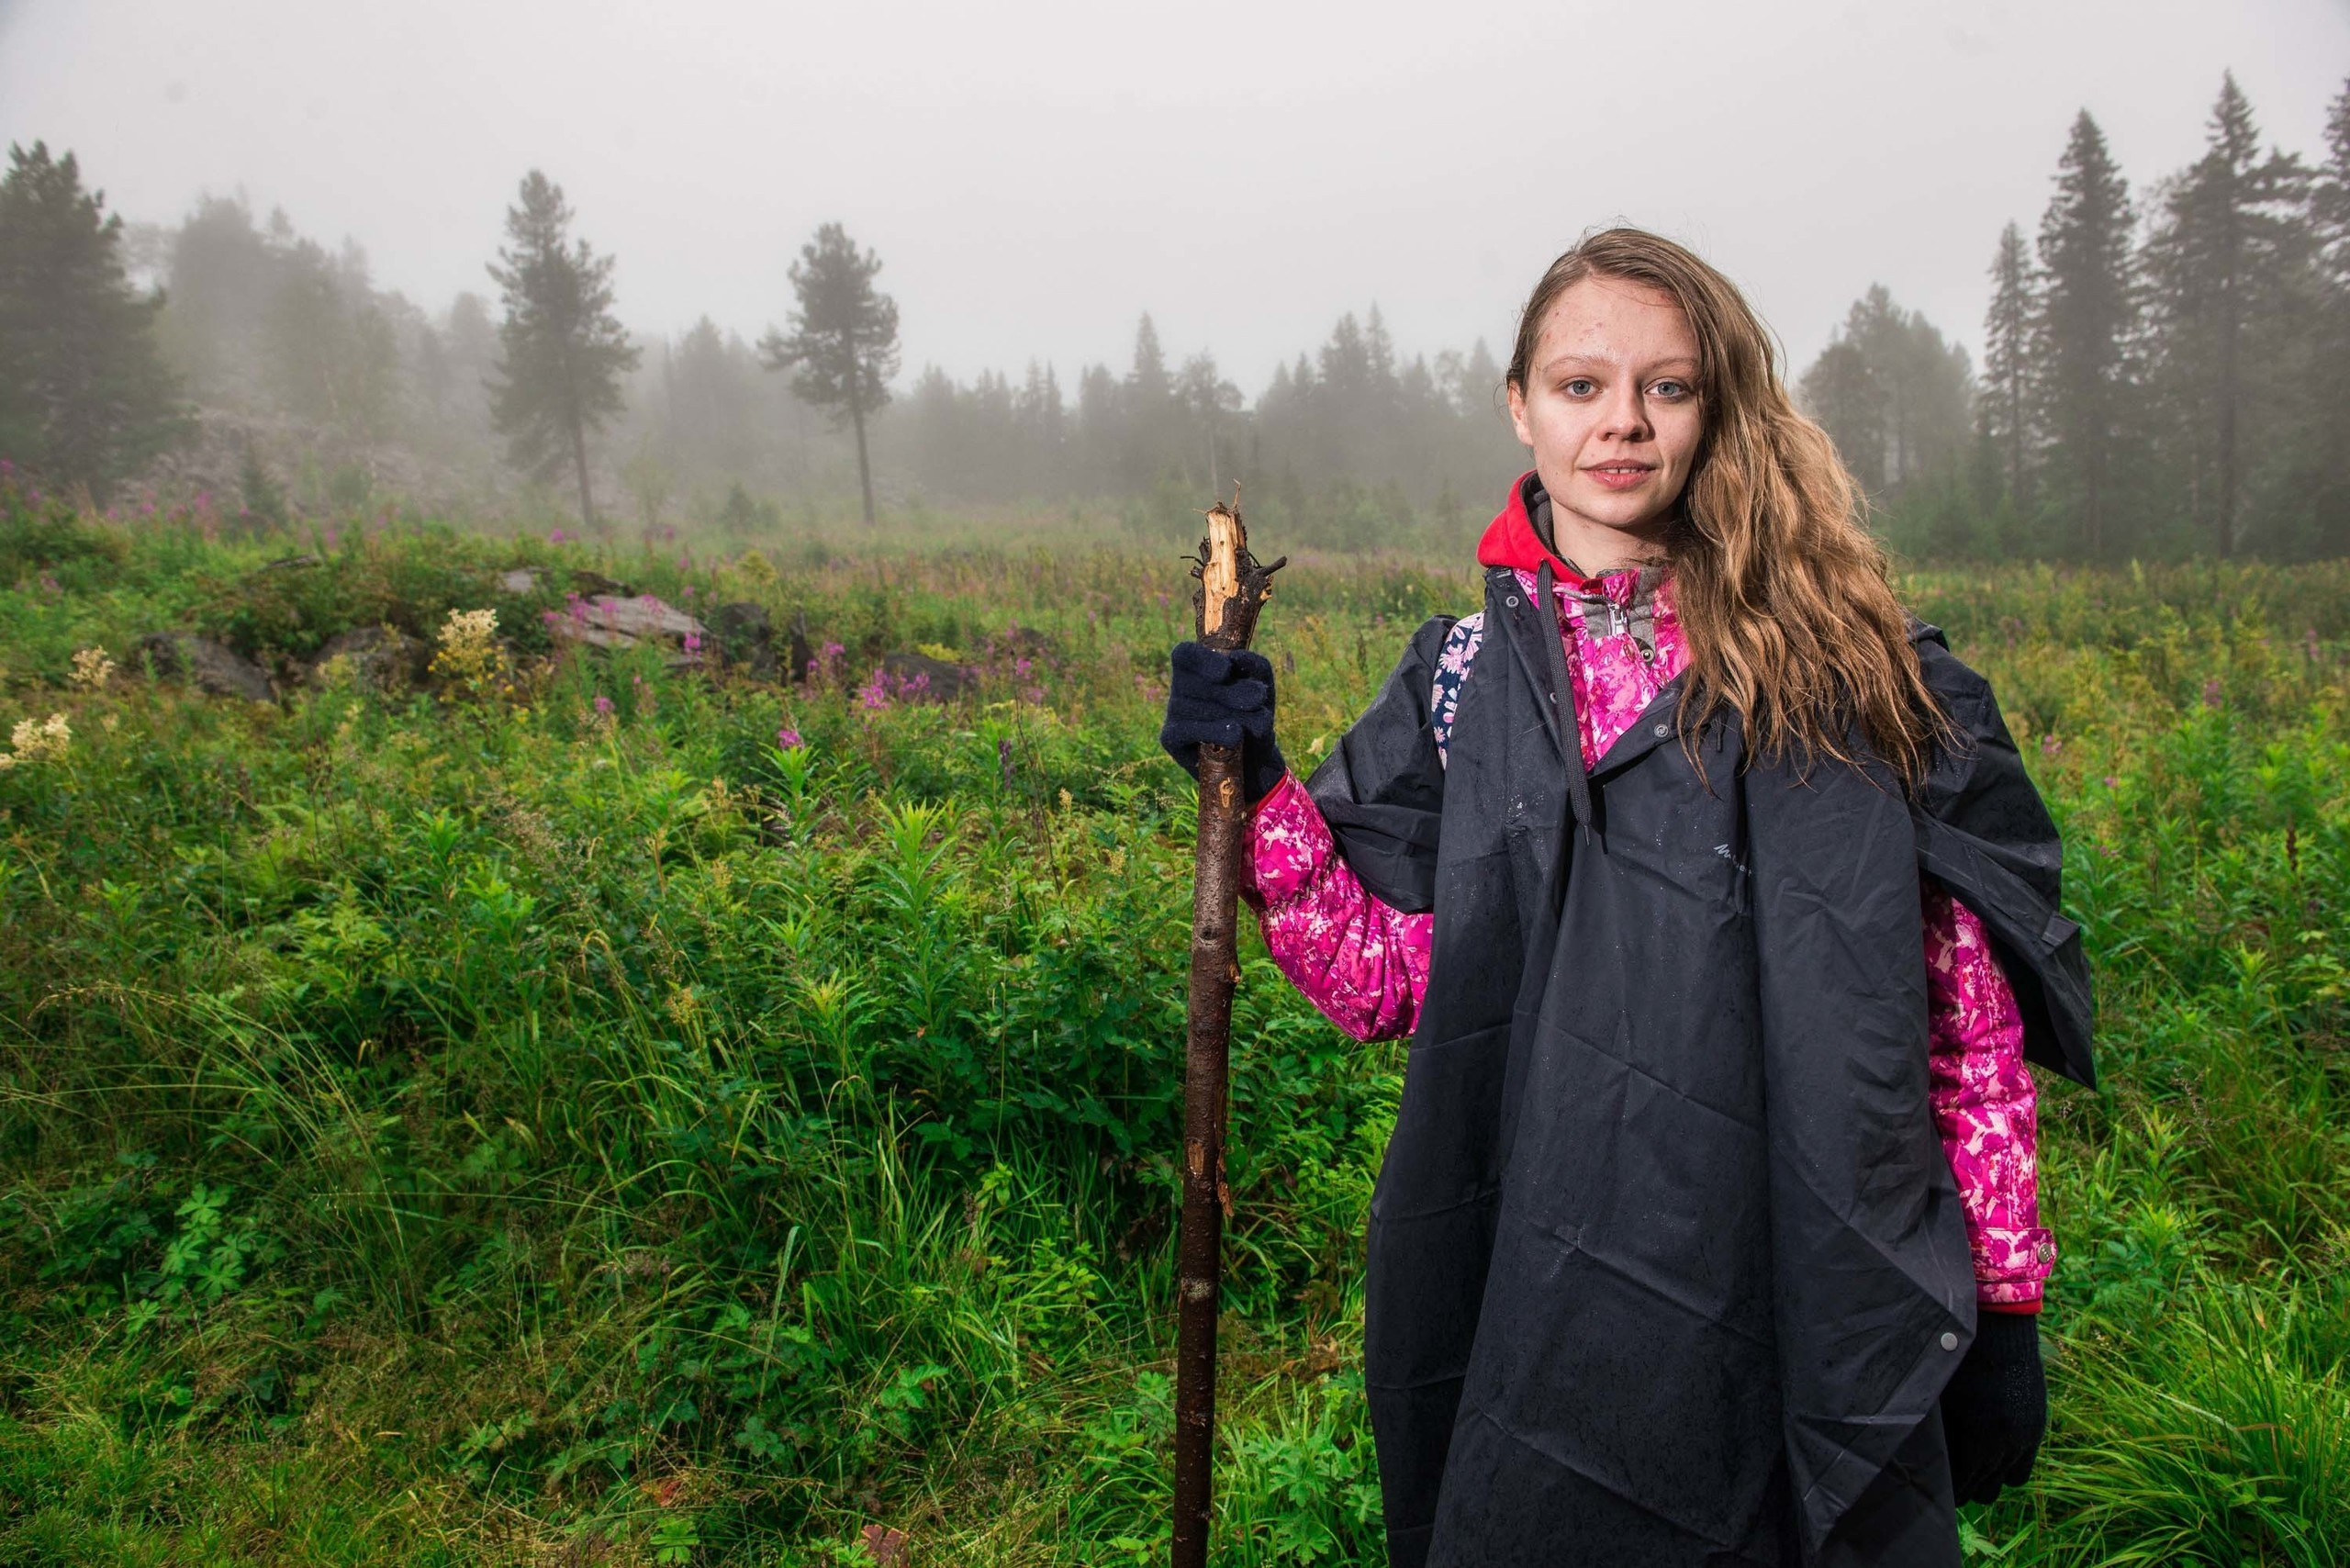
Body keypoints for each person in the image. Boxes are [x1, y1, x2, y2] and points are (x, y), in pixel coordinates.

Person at [1159, 228, 2095, 1568]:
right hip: (1539, 1269)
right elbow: (1381, 976)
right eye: (1582, 385)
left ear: (1721, 408)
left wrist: (2004, 1296)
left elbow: (1960, 1004)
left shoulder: (1859, 666)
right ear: (1521, 404)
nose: (1623, 425)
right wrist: (1250, 784)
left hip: (1801, 1259)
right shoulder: (1463, 678)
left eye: (1668, 386)